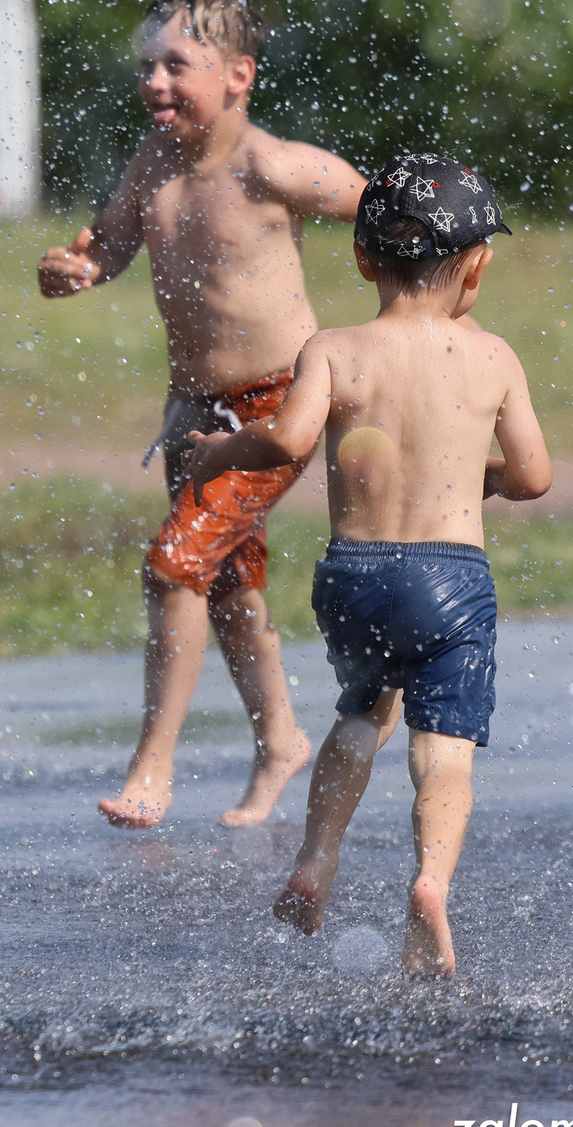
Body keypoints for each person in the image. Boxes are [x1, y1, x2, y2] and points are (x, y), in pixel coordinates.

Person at [181, 153, 551, 978]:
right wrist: (474, 476)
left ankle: (315, 861)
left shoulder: (333, 348)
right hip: (450, 579)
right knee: (443, 743)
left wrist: (218, 451)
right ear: (478, 265)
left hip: (354, 575)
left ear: (361, 259)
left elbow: (284, 439)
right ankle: (429, 884)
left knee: (360, 710)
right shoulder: (493, 357)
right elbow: (532, 477)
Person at [37, 0, 365, 829]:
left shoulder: (271, 166)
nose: (154, 82)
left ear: (239, 75)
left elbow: (388, 209)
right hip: (193, 411)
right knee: (226, 585)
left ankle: (153, 764)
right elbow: (109, 244)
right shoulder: (150, 165)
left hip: (275, 407)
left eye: (177, 64)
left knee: (174, 563)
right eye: (147, 66)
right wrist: (74, 270)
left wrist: (420, 316)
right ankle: (281, 739)